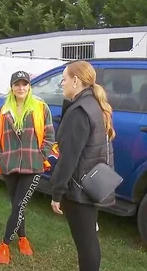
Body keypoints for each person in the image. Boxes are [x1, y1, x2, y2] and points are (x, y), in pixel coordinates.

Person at [50, 61, 116, 271]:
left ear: (75, 81)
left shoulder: (80, 111)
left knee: (86, 244)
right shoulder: (94, 104)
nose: (63, 84)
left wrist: (57, 193)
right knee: (89, 240)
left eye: (64, 79)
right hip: (92, 183)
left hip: (79, 189)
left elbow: (68, 158)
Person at [0, 71, 56, 264]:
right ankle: (23, 238)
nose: (21, 88)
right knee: (17, 206)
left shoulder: (40, 108)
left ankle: (4, 244)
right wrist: (0, 158)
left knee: (19, 205)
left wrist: (41, 155)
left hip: (32, 166)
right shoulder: (4, 111)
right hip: (9, 166)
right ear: (12, 87)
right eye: (17, 84)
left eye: (24, 84)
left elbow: (50, 135)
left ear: (29, 86)